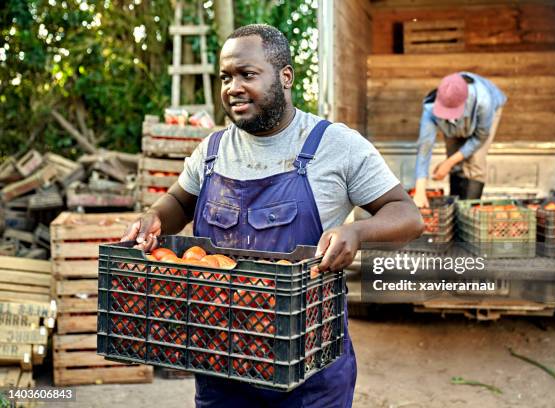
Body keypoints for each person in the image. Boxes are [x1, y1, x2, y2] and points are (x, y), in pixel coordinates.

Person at [122, 24, 424, 408]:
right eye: (226, 77)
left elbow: (407, 215)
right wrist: (155, 216)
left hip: (308, 367)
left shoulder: (337, 145)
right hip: (220, 360)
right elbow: (180, 202)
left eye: (247, 74)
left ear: (285, 77)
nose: (233, 87)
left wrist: (359, 232)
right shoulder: (212, 150)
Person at [412, 72, 507, 208]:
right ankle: (454, 211)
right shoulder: (430, 107)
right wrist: (420, 190)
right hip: (453, 120)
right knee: (455, 158)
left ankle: (468, 213)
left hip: (483, 113)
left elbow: (480, 137)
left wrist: (448, 163)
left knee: (475, 163)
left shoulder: (484, 101)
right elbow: (424, 146)